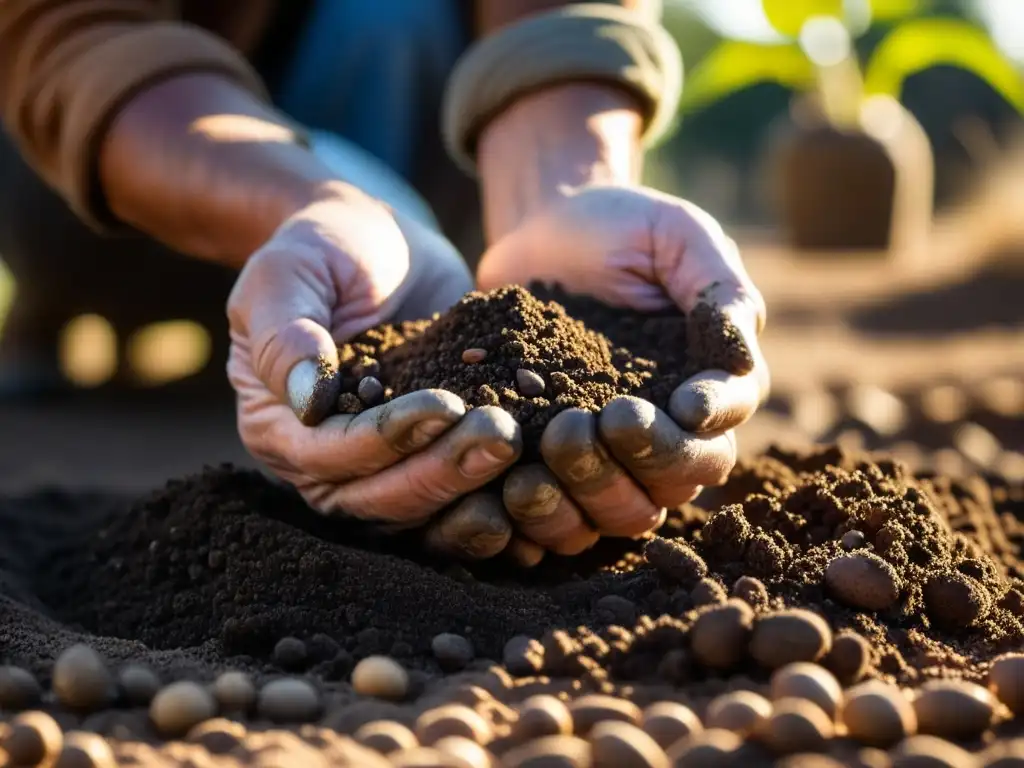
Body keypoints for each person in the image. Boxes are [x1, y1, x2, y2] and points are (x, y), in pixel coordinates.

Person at [0, 0, 768, 563]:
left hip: (409, 193)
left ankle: (313, 295)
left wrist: (562, 187)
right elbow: (67, 35)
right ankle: (62, 310)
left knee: (387, 17)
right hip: (103, 190)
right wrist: (307, 200)